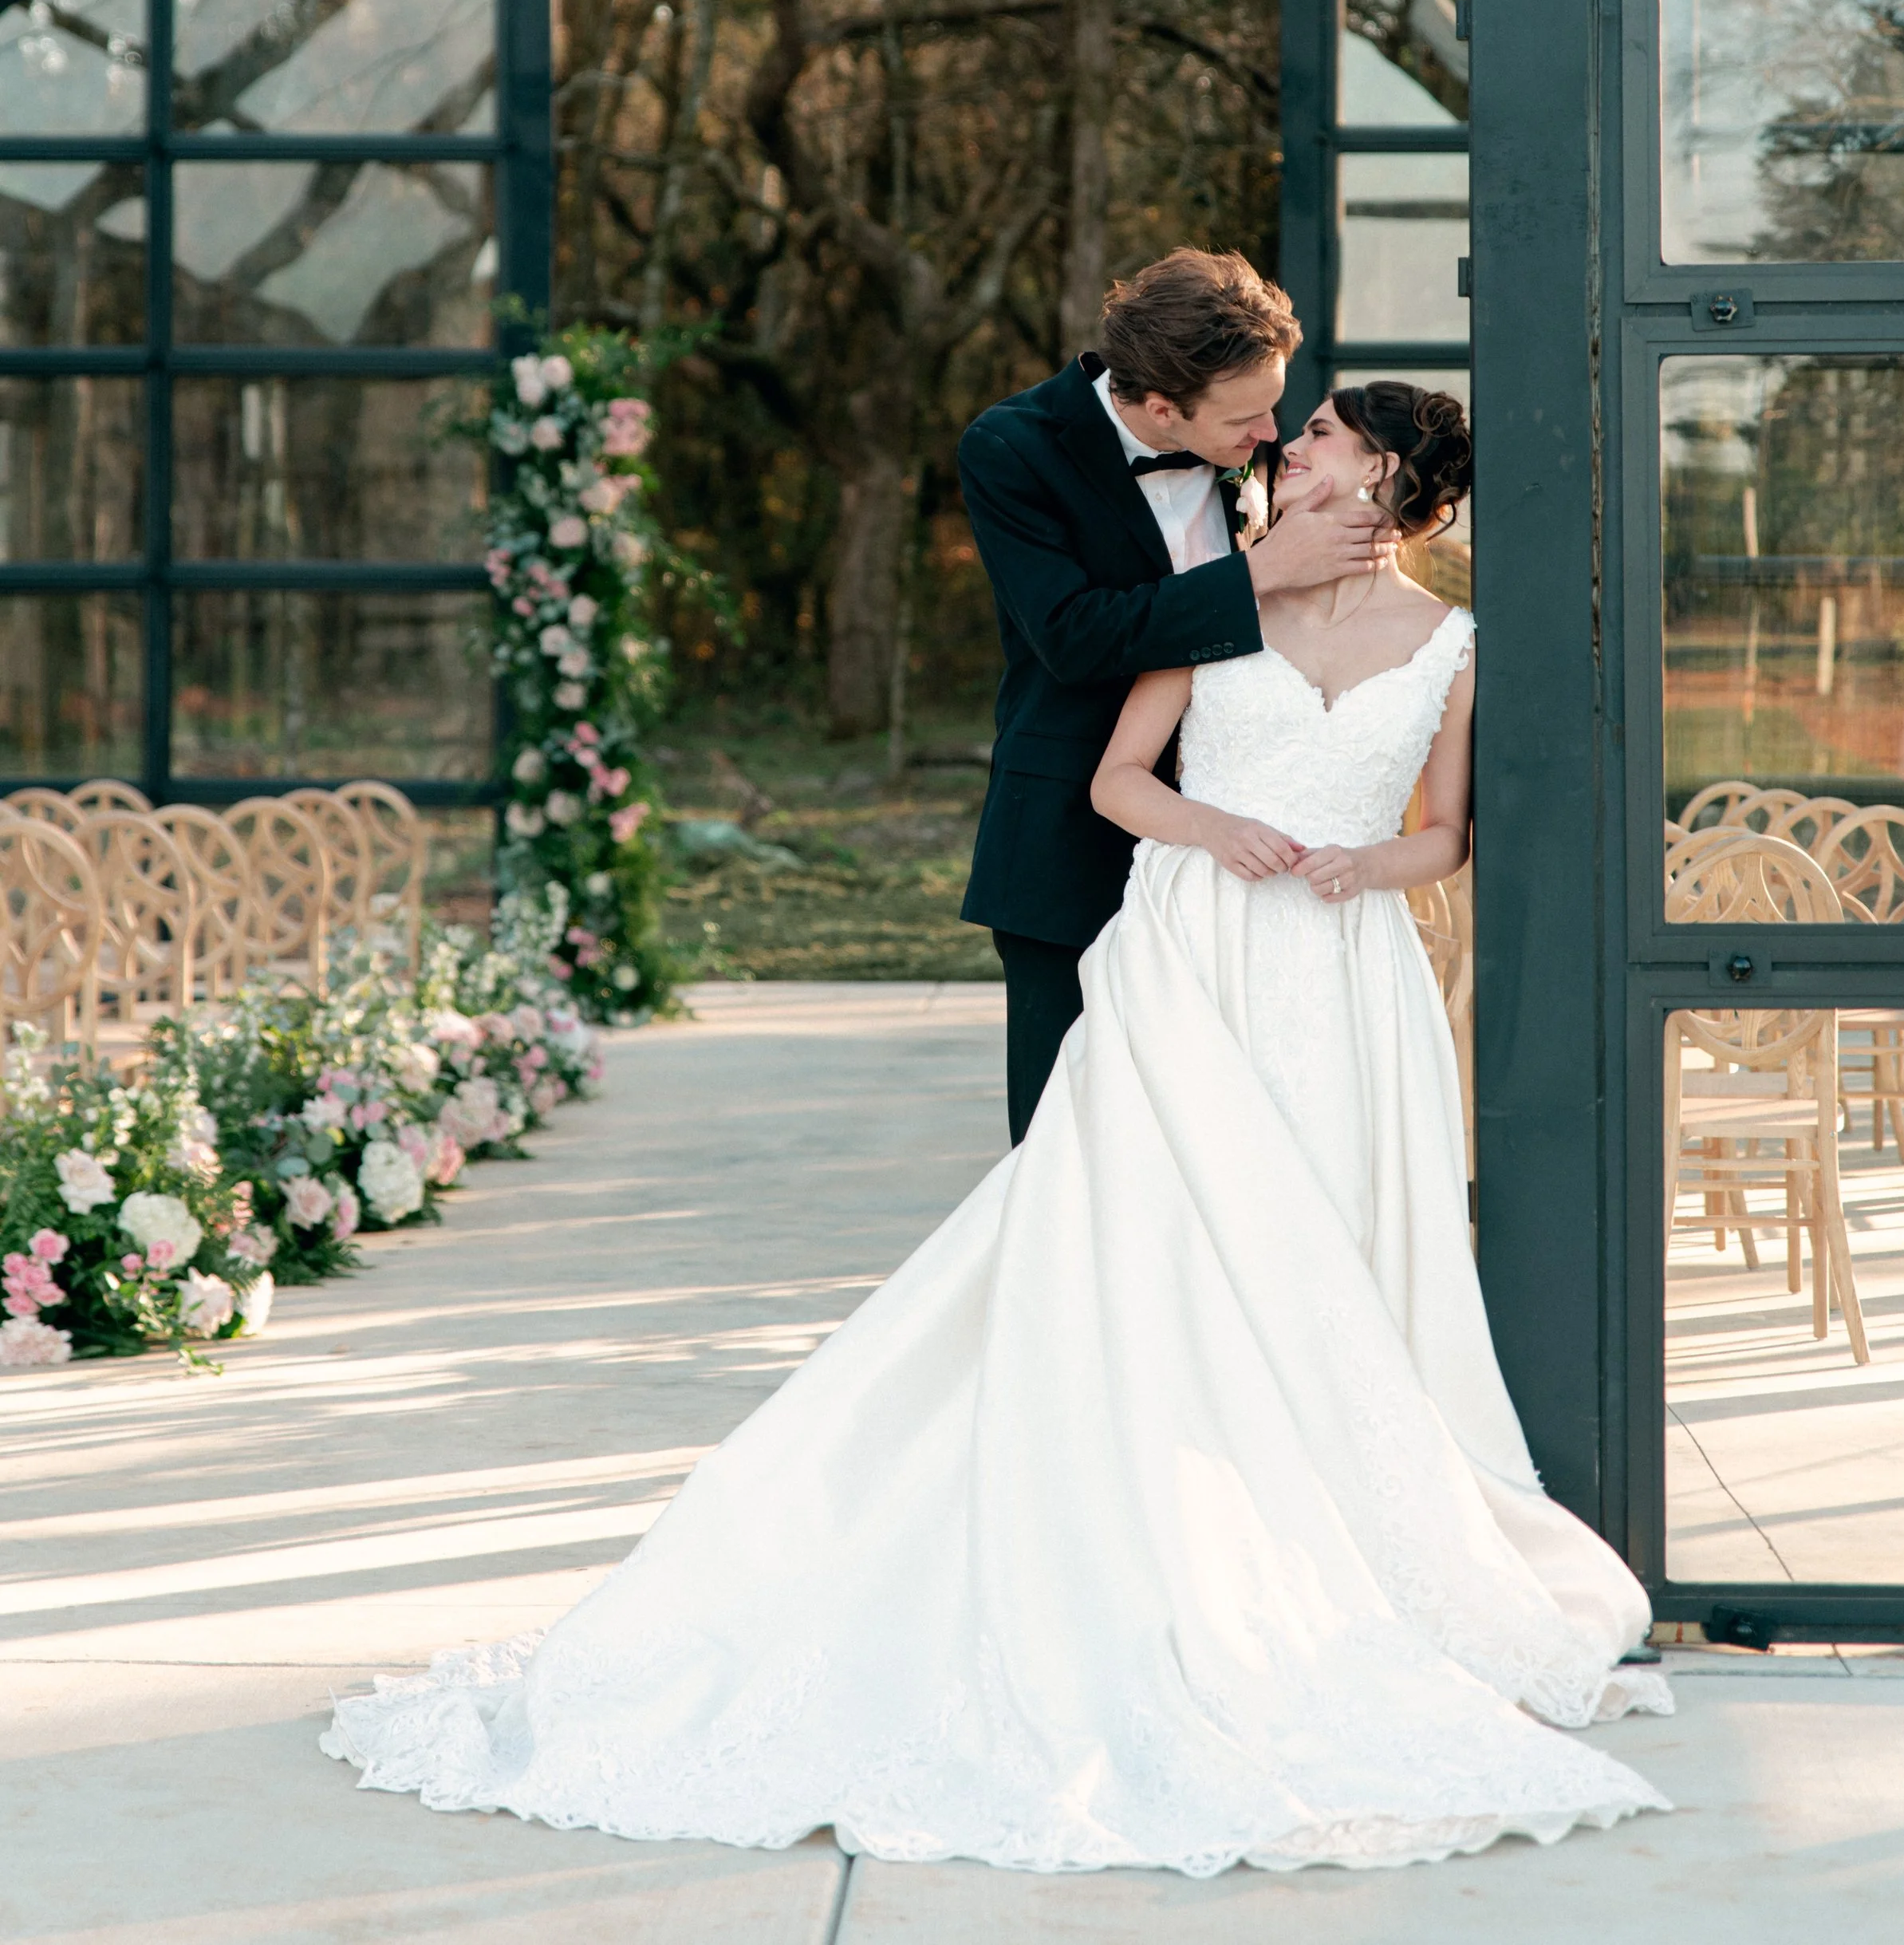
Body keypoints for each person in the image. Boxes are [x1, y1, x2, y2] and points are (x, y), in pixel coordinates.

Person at [324, 375, 1671, 1875]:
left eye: (1329, 436)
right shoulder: (1206, 600)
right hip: (1187, 964)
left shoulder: (1457, 647)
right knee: (1147, 1242)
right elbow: (1114, 781)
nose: (1291, 443)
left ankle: (1334, 1535)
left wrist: (1376, 863)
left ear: (1389, 484)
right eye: (1287, 426)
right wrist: (1217, 828)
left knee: (1328, 1260)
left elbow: (1447, 830)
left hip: (1344, 986)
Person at [956, 247, 1397, 1142]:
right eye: (1246, 416)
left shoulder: (1257, 451)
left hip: (1249, 859)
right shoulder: (1009, 449)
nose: (1271, 433)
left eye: (1275, 404)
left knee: (1218, 1142)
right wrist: (1259, 573)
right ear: (1161, 408)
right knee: (1067, 1143)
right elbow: (1074, 639)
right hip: (1072, 849)